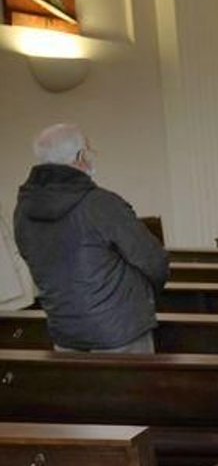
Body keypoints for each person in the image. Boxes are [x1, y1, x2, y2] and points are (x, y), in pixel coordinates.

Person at [13, 123, 169, 353]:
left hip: (65, 334)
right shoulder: (99, 203)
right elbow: (153, 258)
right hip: (120, 333)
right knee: (132, 390)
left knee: (81, 390)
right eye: (88, 151)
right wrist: (144, 295)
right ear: (80, 156)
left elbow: (33, 260)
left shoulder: (23, 210)